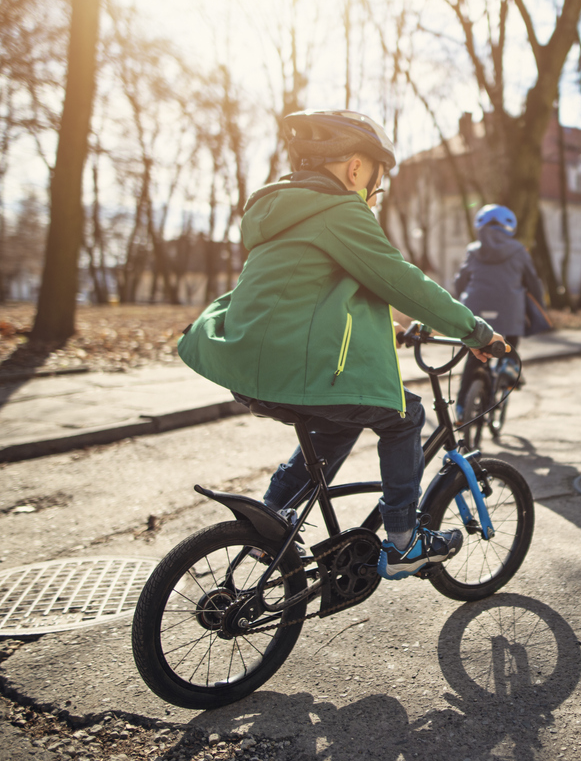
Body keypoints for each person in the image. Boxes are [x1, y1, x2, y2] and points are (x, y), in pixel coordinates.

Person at [177, 109, 505, 581]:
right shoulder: (337, 210)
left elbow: (313, 297)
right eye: (377, 178)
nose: (374, 191)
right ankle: (404, 541)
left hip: (248, 364)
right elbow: (401, 281)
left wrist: (391, 331)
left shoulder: (285, 210)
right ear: (356, 168)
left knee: (337, 422)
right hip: (290, 368)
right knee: (403, 415)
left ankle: (273, 523)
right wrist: (475, 330)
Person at [452, 204, 545, 419]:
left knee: (473, 359)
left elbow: (460, 281)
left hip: (475, 311)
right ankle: (508, 364)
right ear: (509, 227)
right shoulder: (520, 251)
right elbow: (533, 282)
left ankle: (460, 408)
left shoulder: (473, 250)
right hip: (509, 311)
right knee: (510, 340)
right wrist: (539, 304)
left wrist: (459, 300)